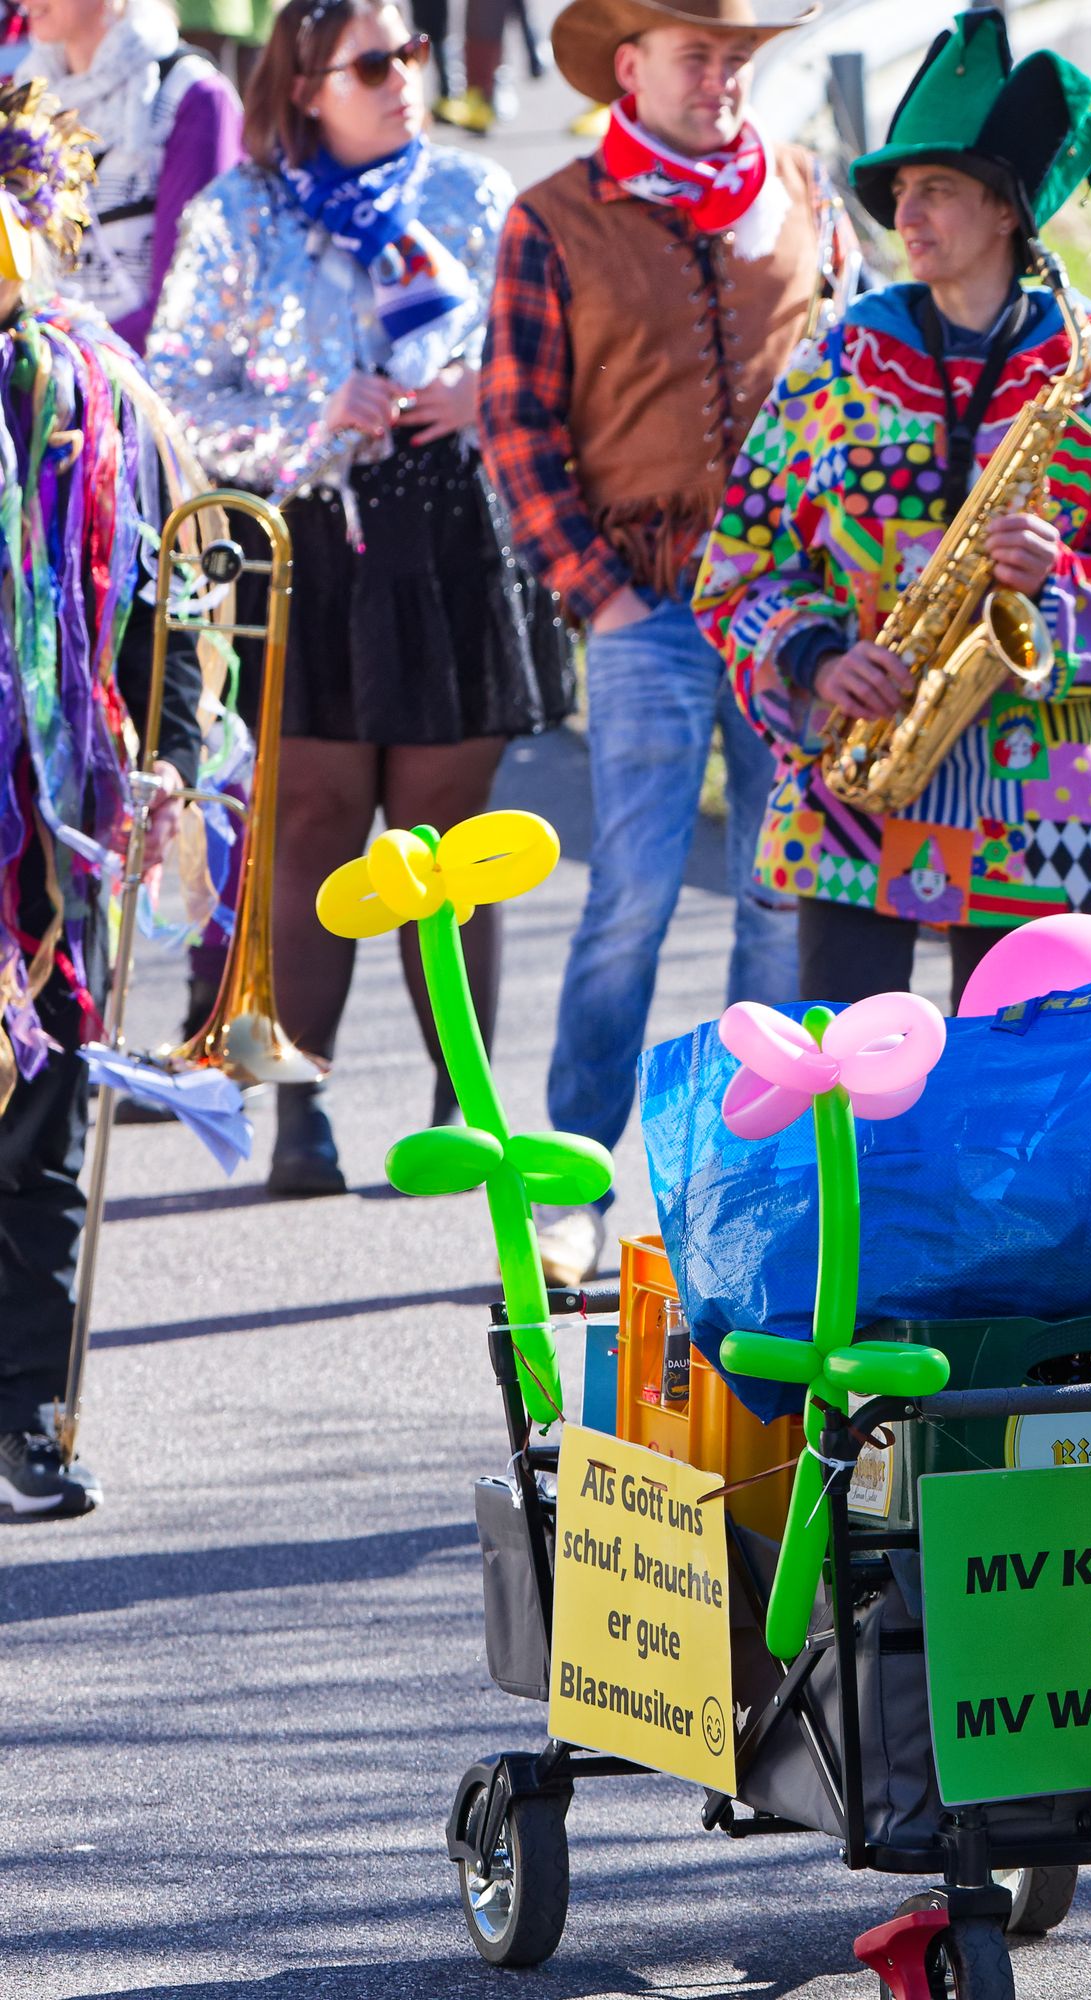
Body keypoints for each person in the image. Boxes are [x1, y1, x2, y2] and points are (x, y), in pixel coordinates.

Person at [695, 19, 1091, 1009]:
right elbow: (737, 566)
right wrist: (815, 657)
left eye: (935, 186)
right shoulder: (839, 361)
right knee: (850, 1104)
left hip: (1048, 807)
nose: (907, 211)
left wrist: (1057, 584)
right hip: (858, 777)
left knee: (1022, 1110)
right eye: (898, 191)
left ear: (1006, 207)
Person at [147, 0, 568, 1196]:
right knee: (318, 829)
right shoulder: (240, 214)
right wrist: (313, 416)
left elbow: (546, 357)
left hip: (450, 539)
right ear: (306, 90)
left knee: (448, 846)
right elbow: (173, 395)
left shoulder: (476, 196)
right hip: (314, 547)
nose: (405, 79)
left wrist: (484, 395)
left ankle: (465, 1106)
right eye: (375, 62)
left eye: (416, 53)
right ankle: (301, 1110)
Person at [483, 0, 854, 1286]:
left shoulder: (805, 191)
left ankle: (766, 1193)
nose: (724, 80)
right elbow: (517, 426)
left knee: (772, 896)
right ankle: (576, 1179)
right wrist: (599, 592)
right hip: (643, 604)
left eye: (739, 57)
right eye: (699, 56)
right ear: (629, 70)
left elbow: (855, 394)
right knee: (631, 895)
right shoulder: (550, 218)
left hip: (795, 619)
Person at [0, 77, 204, 1516]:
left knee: (47, 1107)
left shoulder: (86, 389)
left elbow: (167, 587)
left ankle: (31, 1412)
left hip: (47, 815)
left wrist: (172, 746)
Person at [15, 0, 239, 350]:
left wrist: (74, 367)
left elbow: (192, 299)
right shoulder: (27, 102)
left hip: (147, 390)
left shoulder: (193, 95)